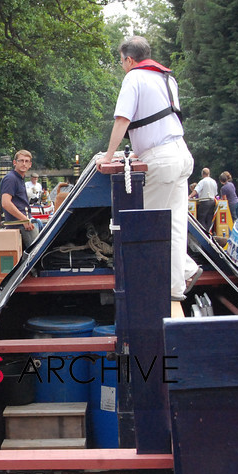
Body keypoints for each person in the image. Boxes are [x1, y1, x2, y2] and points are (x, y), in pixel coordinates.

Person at [96, 35, 200, 301]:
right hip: (181, 154)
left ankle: (147, 292)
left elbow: (123, 119)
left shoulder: (134, 78)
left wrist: (108, 157)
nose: (122, 66)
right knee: (175, 224)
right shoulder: (167, 78)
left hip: (160, 158)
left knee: (146, 227)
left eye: (121, 61)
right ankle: (178, 283)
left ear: (129, 59)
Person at [1, 149, 42, 248]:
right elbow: (5, 203)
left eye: (26, 161)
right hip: (19, 226)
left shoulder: (20, 179)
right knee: (37, 252)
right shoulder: (11, 179)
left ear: (30, 164)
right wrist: (24, 220)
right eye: (21, 161)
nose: (24, 164)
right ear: (15, 163)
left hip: (24, 224)